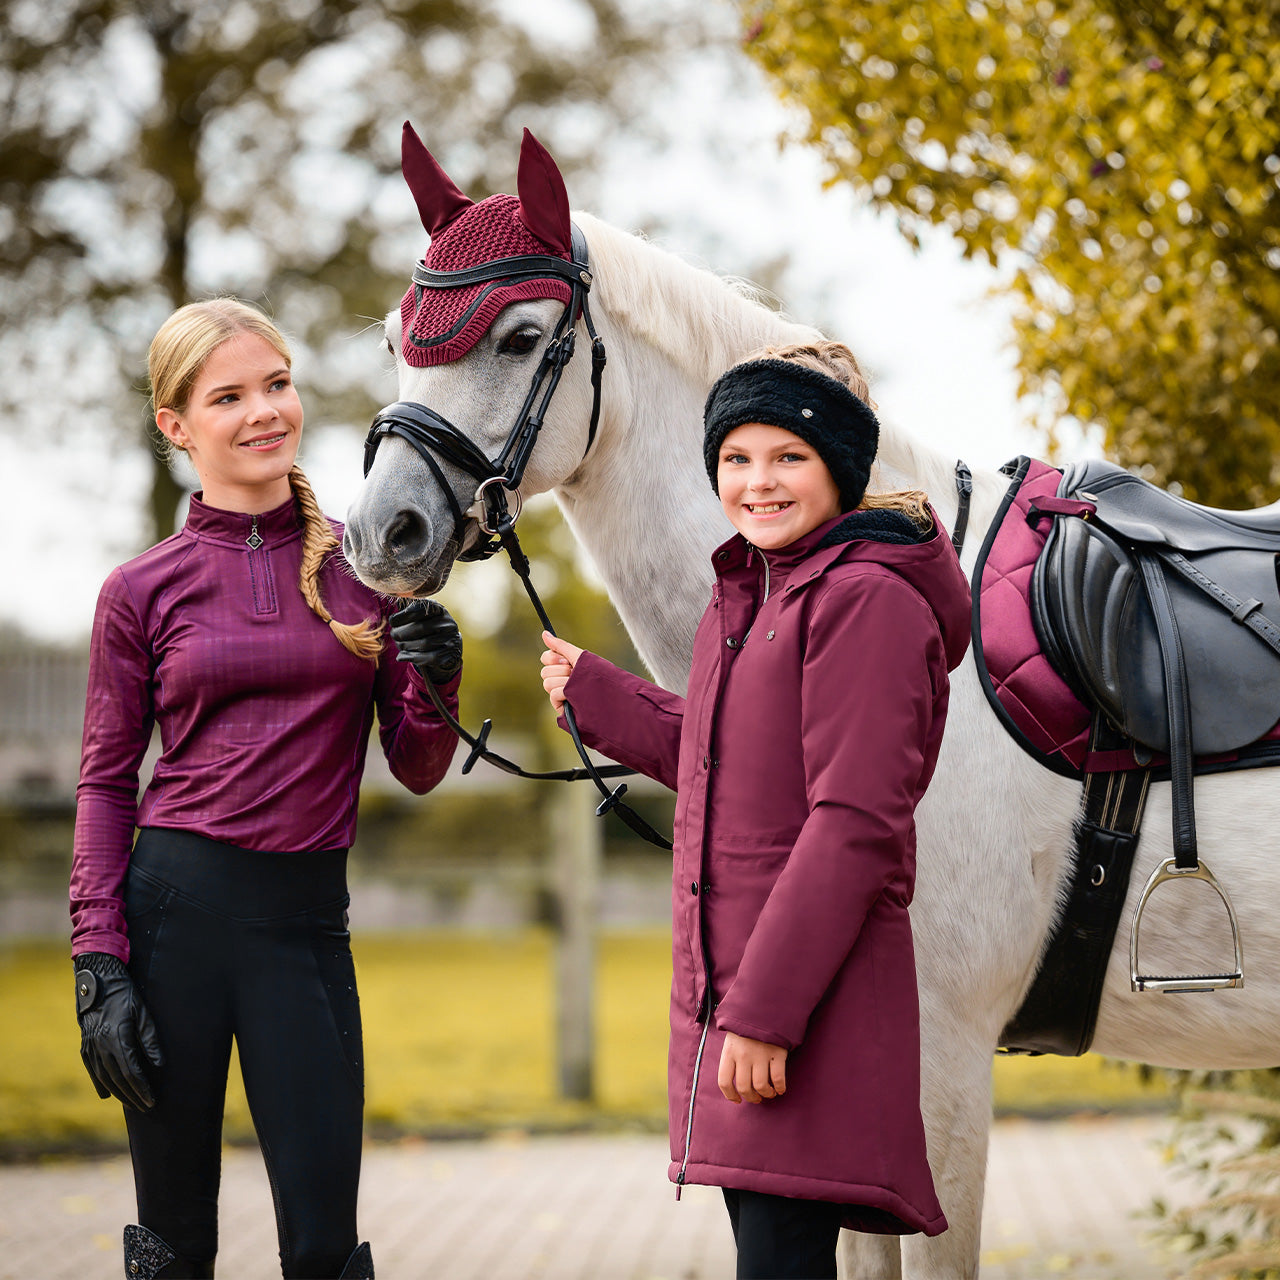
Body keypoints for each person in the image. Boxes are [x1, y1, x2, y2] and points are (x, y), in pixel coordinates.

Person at [538, 341, 969, 1278]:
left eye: (789, 457)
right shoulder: (757, 593)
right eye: (736, 457)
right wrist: (600, 696)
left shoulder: (867, 601)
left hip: (800, 1010)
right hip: (744, 1002)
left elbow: (855, 824)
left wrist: (765, 1017)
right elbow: (727, 759)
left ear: (841, 465)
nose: (757, 482)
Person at [70, 298, 465, 1280]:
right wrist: (99, 964)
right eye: (229, 397)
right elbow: (107, 782)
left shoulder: (368, 567)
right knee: (173, 1247)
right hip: (171, 925)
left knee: (326, 1248)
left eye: (277, 385)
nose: (263, 412)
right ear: (175, 424)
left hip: (304, 930)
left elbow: (418, 766)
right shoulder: (139, 590)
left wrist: (438, 678)